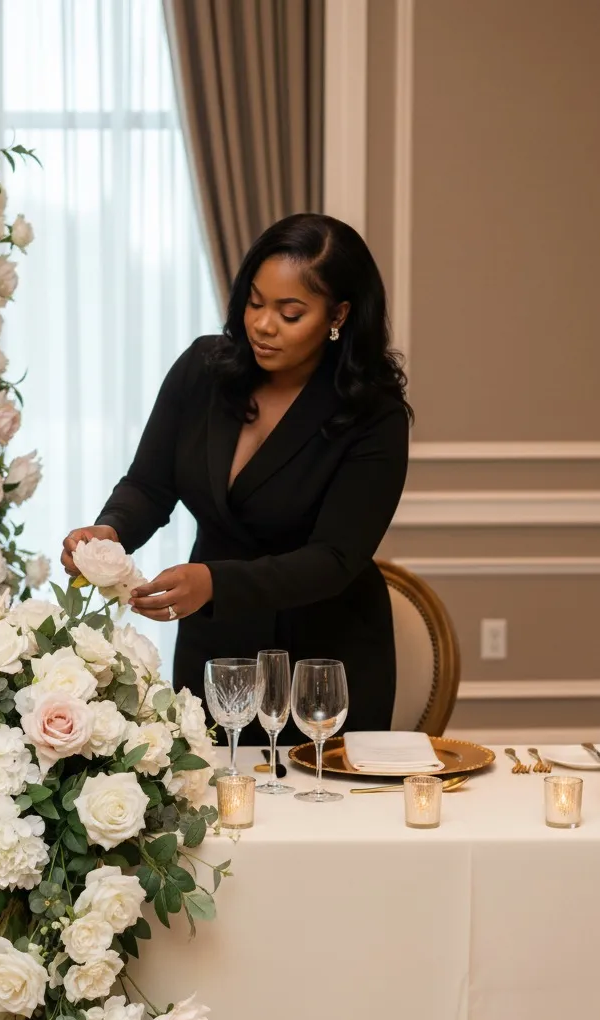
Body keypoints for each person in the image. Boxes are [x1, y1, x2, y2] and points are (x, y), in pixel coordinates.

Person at [62, 213, 411, 742]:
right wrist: (109, 533)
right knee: (214, 811)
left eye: (290, 313)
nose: (263, 325)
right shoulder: (204, 369)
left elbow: (336, 558)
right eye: (254, 301)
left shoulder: (373, 414)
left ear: (338, 314)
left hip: (322, 661)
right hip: (216, 647)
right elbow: (149, 486)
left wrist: (215, 582)